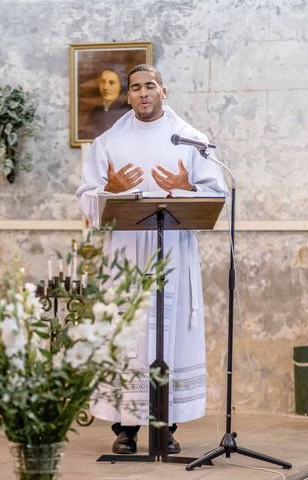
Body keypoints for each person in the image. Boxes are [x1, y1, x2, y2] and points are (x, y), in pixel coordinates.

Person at [76, 64, 226, 455]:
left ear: (164, 90)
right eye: (136, 88)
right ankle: (125, 429)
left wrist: (187, 186)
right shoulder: (108, 142)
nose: (143, 93)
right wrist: (108, 189)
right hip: (126, 253)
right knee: (127, 338)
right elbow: (86, 198)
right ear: (128, 96)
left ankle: (166, 425)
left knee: (168, 336)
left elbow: (215, 193)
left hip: (172, 252)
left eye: (150, 86)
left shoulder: (191, 140)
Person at [78, 68, 131, 140]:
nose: (106, 87)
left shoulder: (126, 113)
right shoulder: (95, 112)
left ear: (121, 86)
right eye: (103, 82)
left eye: (111, 83)